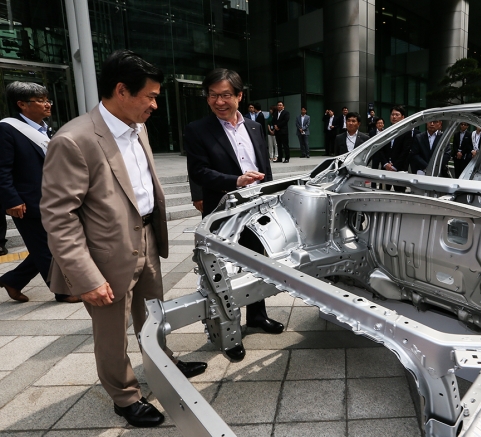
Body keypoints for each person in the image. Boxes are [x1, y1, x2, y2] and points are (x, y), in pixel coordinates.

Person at [40, 50, 207, 428]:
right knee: (112, 333)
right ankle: (125, 396)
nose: (154, 104)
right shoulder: (74, 140)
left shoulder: (138, 127)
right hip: (103, 257)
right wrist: (86, 278)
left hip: (145, 236)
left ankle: (164, 366)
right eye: (149, 96)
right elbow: (58, 216)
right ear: (121, 90)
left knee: (154, 314)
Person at [184, 68, 285, 363]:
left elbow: (263, 164)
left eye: (226, 94)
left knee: (259, 261)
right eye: (213, 95)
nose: (219, 101)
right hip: (224, 208)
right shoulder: (198, 129)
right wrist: (235, 181)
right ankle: (227, 331)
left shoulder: (254, 127)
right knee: (223, 272)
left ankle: (257, 316)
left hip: (257, 208)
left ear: (239, 96)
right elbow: (199, 171)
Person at [0, 81, 80, 304]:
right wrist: (11, 199)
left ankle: (13, 280)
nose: (48, 105)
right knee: (45, 247)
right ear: (21, 105)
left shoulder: (45, 128)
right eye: (41, 100)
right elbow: (2, 168)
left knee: (48, 244)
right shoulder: (7, 129)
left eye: (48, 100)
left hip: (53, 198)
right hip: (26, 201)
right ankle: (62, 291)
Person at [381, 106, 414, 191]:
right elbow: (380, 149)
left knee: (399, 193)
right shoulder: (385, 131)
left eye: (397, 114)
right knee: (383, 193)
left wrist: (394, 166)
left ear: (403, 117)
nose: (394, 117)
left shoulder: (407, 132)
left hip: (399, 170)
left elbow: (405, 151)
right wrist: (385, 164)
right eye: (392, 114)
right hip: (385, 169)